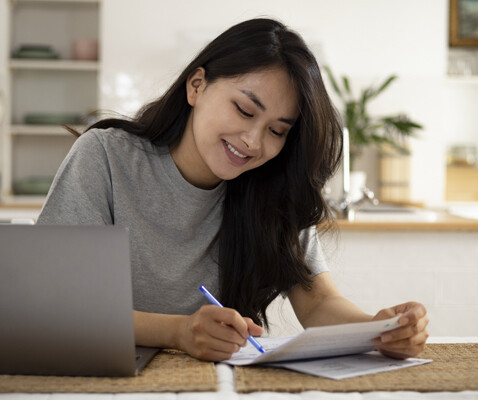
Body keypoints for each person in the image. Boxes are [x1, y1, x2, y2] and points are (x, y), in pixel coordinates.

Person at [38, 18, 429, 361]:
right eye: (244, 110)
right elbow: (60, 302)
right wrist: (178, 332)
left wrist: (378, 329)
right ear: (197, 86)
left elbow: (319, 302)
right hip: (108, 376)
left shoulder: (274, 187)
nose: (253, 142)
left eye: (277, 130)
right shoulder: (105, 158)